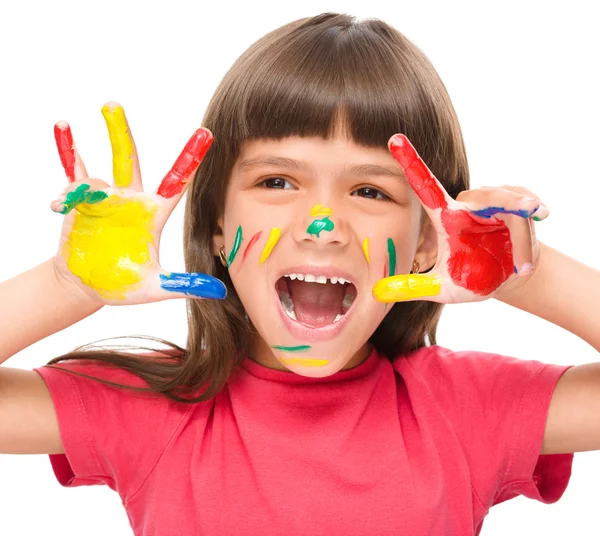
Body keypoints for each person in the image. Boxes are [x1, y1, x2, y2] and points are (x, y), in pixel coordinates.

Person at [0, 11, 598, 536]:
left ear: (426, 244)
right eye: (276, 182)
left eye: (369, 190)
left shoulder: (463, 411)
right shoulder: (153, 407)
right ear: (214, 226)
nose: (322, 224)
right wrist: (65, 286)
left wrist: (527, 272)